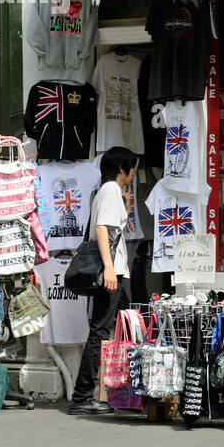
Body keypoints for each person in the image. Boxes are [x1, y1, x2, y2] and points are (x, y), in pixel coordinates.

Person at [70, 146, 138, 415]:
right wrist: (109, 269)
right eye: (132, 168)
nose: (134, 173)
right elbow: (101, 229)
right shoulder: (110, 190)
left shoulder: (106, 192)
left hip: (115, 272)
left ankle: (127, 391)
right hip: (112, 273)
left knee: (126, 326)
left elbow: (110, 229)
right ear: (122, 169)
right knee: (100, 332)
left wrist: (127, 207)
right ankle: (82, 396)